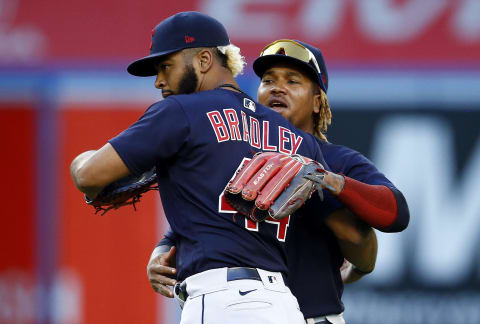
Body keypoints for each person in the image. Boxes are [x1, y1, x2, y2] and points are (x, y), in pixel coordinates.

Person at [70, 12, 344, 324]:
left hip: (222, 302)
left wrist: (80, 158)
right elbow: (354, 236)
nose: (159, 80)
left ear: (203, 60)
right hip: (284, 305)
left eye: (166, 66)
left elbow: (87, 176)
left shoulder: (180, 113)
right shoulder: (295, 138)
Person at [147, 39, 410, 324]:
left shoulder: (337, 160)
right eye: (268, 80)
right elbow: (203, 220)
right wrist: (162, 250)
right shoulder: (237, 153)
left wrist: (329, 180)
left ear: (317, 101)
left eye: (293, 81)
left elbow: (395, 214)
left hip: (314, 317)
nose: (277, 87)